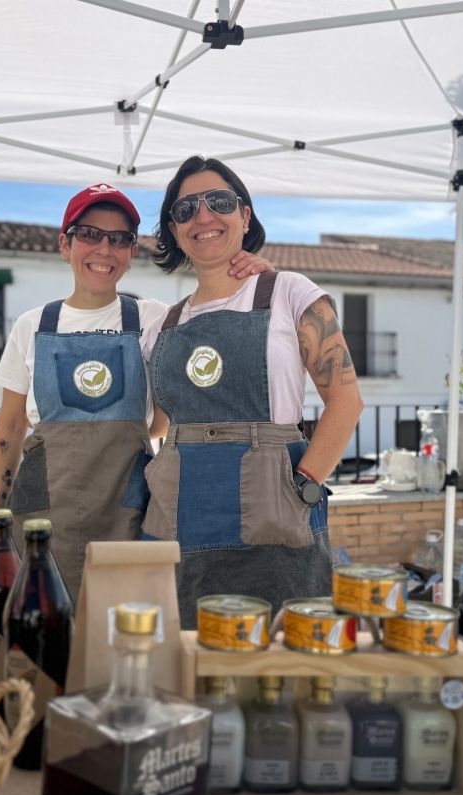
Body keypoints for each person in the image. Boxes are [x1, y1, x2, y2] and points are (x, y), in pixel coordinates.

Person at [0, 182, 272, 600]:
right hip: (43, 514)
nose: (104, 249)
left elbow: (217, 329)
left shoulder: (153, 319)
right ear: (64, 245)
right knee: (45, 634)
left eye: (119, 239)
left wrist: (251, 273)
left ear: (130, 253)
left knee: (120, 632)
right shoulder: (32, 325)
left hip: (127, 509)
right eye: (89, 234)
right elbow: (10, 428)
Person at [141, 157, 365, 624]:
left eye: (219, 202)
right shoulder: (165, 323)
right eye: (185, 210)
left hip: (276, 515)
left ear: (244, 216)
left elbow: (346, 400)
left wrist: (303, 488)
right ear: (173, 230)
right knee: (192, 664)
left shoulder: (289, 292)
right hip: (180, 519)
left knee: (281, 665)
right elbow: (159, 423)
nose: (203, 216)